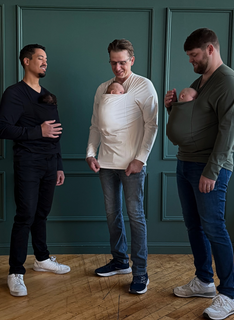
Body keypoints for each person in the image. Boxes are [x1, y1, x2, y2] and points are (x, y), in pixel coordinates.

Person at [165, 28, 234, 320]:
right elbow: (194, 121)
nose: (191, 61)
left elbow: (227, 133)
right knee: (194, 226)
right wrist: (174, 108)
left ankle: (229, 295)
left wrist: (211, 171)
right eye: (189, 56)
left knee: (214, 227)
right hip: (185, 162)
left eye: (194, 55)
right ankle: (204, 281)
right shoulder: (201, 80)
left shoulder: (229, 82)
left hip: (209, 168)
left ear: (210, 49)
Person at [0, 44, 70, 297]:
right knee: (25, 215)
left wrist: (59, 165)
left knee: (42, 213)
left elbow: (56, 133)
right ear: (26, 61)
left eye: (46, 59)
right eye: (40, 58)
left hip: (50, 164)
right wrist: (36, 131)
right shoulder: (15, 93)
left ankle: (42, 258)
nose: (45, 63)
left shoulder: (48, 95)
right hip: (28, 162)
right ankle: (15, 271)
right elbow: (3, 129)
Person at [86, 39, 158, 294]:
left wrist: (141, 158)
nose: (118, 67)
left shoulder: (143, 86)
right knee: (111, 214)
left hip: (132, 165)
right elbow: (95, 124)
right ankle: (119, 261)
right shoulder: (102, 88)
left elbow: (152, 125)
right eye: (113, 62)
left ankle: (140, 273)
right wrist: (90, 152)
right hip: (105, 163)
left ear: (132, 60)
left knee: (135, 217)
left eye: (123, 62)